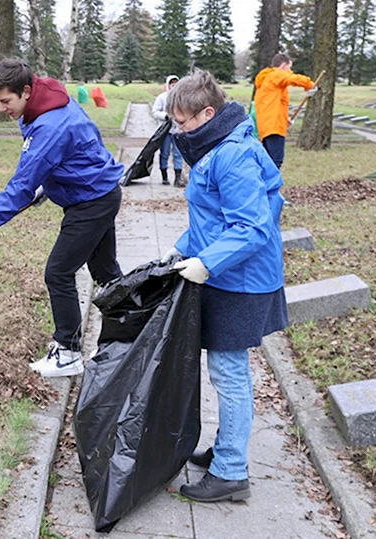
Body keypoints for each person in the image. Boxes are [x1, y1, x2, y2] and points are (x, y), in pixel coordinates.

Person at [158, 69, 287, 503]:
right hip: (228, 273)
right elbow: (212, 219)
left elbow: (251, 228)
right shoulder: (217, 146)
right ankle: (226, 446)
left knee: (229, 373)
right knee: (226, 371)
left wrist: (206, 263)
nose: (178, 130)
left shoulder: (232, 155)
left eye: (183, 121)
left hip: (241, 281)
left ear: (207, 113)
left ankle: (231, 471)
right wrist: (180, 252)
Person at [0, 58, 124, 378]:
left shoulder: (50, 124)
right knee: (105, 272)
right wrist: (49, 183)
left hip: (90, 202)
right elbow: (80, 148)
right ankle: (125, 334)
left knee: (58, 273)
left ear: (27, 91)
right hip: (98, 191)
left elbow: (20, 186)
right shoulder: (46, 101)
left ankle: (68, 352)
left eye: (6, 101)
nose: (3, 108)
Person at [252, 53, 315, 169]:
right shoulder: (276, 75)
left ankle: (264, 186)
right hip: (274, 128)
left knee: (268, 162)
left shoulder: (268, 81)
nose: (290, 71)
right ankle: (269, 187)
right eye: (289, 68)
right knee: (275, 162)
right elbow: (293, 78)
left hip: (267, 127)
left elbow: (272, 106)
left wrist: (285, 120)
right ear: (283, 66)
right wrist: (310, 85)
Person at [150, 74, 185, 187]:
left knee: (178, 153)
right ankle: (164, 176)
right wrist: (165, 116)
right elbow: (154, 112)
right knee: (164, 153)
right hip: (165, 130)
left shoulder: (183, 98)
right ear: (168, 84)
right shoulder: (162, 97)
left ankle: (178, 178)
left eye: (176, 83)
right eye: (172, 83)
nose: (174, 86)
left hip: (178, 130)